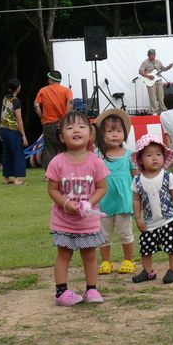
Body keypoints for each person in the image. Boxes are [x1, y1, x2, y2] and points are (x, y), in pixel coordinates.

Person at [46, 111, 109, 306]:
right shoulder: (57, 162)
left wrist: (89, 203)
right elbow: (53, 190)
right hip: (64, 221)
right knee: (64, 254)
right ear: (61, 137)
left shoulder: (95, 162)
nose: (76, 130)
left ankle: (91, 290)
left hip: (87, 221)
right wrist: (65, 203)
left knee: (90, 255)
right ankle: (61, 292)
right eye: (70, 127)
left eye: (81, 127)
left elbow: (102, 188)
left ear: (90, 134)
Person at [130, 134, 173, 285]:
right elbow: (136, 200)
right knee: (146, 248)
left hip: (169, 220)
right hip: (148, 223)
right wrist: (138, 218)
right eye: (149, 155)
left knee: (172, 246)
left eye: (159, 154)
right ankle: (148, 271)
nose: (155, 158)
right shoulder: (138, 180)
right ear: (140, 159)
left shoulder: (167, 176)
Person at [93, 108, 137, 275]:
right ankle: (106, 262)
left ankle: (129, 260)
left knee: (126, 233)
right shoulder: (97, 156)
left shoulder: (129, 155)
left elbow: (136, 178)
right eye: (110, 131)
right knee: (103, 235)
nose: (115, 135)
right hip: (103, 202)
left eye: (119, 131)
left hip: (124, 201)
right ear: (101, 134)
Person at [34, 70, 73, 171]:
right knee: (65, 147)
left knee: (49, 149)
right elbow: (70, 102)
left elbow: (36, 105)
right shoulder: (66, 91)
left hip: (48, 124)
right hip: (63, 124)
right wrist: (65, 117)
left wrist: (42, 117)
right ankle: (67, 170)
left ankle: (49, 174)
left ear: (51, 79)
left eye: (48, 78)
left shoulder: (43, 90)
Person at [0, 78, 28, 185]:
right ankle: (17, 178)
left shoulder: (5, 98)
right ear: (17, 88)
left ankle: (6, 177)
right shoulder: (16, 101)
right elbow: (19, 119)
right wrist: (23, 135)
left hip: (3, 128)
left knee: (7, 153)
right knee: (18, 153)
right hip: (12, 130)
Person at [139, 49, 173, 115]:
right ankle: (154, 111)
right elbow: (140, 71)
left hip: (158, 81)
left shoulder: (158, 62)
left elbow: (163, 69)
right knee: (152, 97)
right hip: (150, 82)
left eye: (154, 55)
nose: (153, 56)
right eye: (151, 55)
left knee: (161, 96)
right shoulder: (145, 62)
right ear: (148, 55)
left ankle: (163, 110)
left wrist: (169, 67)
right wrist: (148, 76)